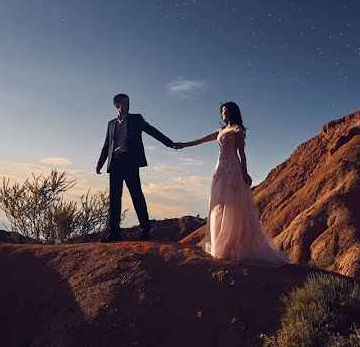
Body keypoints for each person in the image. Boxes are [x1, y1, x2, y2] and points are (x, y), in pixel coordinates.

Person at [174, 102, 288, 265]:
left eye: (225, 111)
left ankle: (233, 246)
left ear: (232, 113)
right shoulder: (221, 130)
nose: (223, 114)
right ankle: (220, 244)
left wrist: (244, 172)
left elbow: (242, 153)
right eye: (221, 112)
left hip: (232, 168)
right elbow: (201, 140)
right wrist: (183, 145)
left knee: (232, 204)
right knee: (218, 204)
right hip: (220, 167)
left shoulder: (237, 130)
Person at [97, 93, 175, 242]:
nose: (128, 106)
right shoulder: (111, 123)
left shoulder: (136, 119)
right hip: (115, 163)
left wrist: (169, 143)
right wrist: (100, 163)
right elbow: (107, 144)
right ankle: (114, 233)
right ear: (117, 105)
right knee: (114, 198)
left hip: (130, 161)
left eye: (129, 103)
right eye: (125, 103)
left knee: (136, 194)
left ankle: (145, 229)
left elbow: (152, 131)